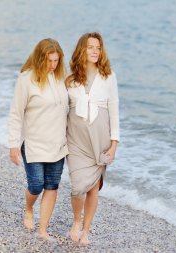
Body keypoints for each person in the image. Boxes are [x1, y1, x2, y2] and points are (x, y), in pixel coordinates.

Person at [8, 38, 69, 240]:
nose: (53, 65)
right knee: (36, 185)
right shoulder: (27, 79)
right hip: (34, 143)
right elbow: (16, 113)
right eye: (49, 61)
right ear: (40, 58)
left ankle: (43, 230)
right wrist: (13, 145)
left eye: (56, 61)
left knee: (52, 185)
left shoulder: (62, 77)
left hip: (58, 144)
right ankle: (28, 208)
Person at [66, 32, 120, 245]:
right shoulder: (70, 79)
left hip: (100, 140)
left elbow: (114, 111)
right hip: (76, 142)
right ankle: (76, 221)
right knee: (78, 186)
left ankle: (86, 229)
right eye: (90, 47)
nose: (95, 51)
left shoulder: (109, 76)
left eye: (98, 47)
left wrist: (114, 145)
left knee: (93, 187)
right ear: (82, 50)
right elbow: (61, 110)